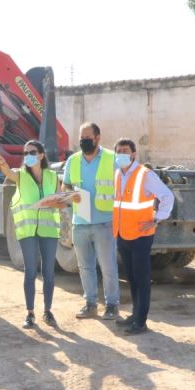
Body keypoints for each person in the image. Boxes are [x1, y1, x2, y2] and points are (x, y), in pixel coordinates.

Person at [0, 140, 65, 329]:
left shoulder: (52, 176)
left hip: (49, 230)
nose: (28, 156)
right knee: (30, 271)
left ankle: (48, 311)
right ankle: (30, 313)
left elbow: (61, 200)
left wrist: (60, 201)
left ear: (41, 155)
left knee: (49, 272)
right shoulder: (21, 176)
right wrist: (2, 163)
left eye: (32, 152)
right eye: (25, 153)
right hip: (27, 230)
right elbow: (8, 173)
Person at [112, 138, 174, 335]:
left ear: (133, 154)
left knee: (142, 278)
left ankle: (141, 321)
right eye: (118, 150)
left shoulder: (145, 175)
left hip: (140, 235)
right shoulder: (117, 175)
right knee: (131, 277)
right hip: (123, 233)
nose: (121, 153)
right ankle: (135, 314)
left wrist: (156, 218)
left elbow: (167, 196)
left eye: (125, 150)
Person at [62, 122, 120, 320]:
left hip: (105, 222)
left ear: (97, 138)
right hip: (80, 222)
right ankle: (90, 303)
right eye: (81, 138)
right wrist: (71, 195)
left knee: (108, 266)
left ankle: (112, 305)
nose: (83, 141)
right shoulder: (73, 160)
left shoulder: (112, 159)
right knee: (85, 266)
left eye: (87, 138)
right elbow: (66, 186)